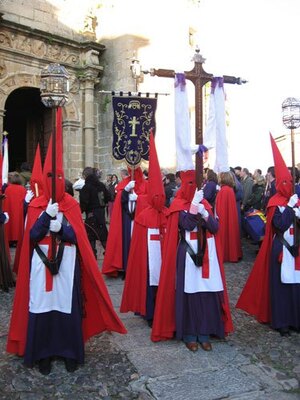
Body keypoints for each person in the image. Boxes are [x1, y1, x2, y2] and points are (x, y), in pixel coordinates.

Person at [6, 109, 126, 375]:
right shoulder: (37, 205)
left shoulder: (70, 204)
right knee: (42, 309)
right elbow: (31, 238)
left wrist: (63, 228)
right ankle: (43, 353)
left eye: (60, 178)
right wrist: (44, 219)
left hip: (67, 265)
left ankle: (69, 351)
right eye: (52, 178)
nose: (56, 182)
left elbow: (79, 239)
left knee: (67, 309)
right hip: (40, 265)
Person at [151, 170, 233, 351]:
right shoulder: (178, 205)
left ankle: (204, 332)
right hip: (188, 252)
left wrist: (204, 212)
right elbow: (186, 224)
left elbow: (215, 227)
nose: (195, 188)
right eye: (190, 185)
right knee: (189, 294)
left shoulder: (205, 204)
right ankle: (189, 333)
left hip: (206, 253)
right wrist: (194, 206)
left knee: (205, 293)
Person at [236, 133, 300, 336]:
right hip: (281, 247)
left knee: (296, 286)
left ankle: (296, 320)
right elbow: (279, 224)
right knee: (281, 286)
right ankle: (281, 321)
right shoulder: (275, 203)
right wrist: (290, 209)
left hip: (296, 246)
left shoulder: (296, 200)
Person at [120, 132, 168, 326]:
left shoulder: (168, 213)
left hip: (160, 251)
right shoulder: (143, 217)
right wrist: (126, 193)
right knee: (148, 277)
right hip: (148, 251)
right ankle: (149, 310)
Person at [102, 166, 148, 277]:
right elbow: (120, 202)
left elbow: (150, 200)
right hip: (127, 218)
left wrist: (138, 198)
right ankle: (127, 268)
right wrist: (126, 191)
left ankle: (138, 268)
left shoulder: (146, 184)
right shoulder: (124, 184)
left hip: (139, 219)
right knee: (127, 243)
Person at [79, 167, 110, 258]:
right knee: (103, 236)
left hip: (91, 214)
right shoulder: (101, 185)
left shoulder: (86, 187)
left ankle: (92, 257)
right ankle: (110, 256)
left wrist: (80, 210)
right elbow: (108, 197)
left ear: (85, 176)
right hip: (101, 213)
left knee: (90, 235)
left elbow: (84, 202)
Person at [215, 171, 242, 263]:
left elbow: (220, 208)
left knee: (224, 234)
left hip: (223, 218)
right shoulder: (229, 189)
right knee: (231, 233)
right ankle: (233, 254)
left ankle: (225, 254)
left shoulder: (224, 190)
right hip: (229, 217)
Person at [3, 172, 27, 247]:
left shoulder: (7, 189)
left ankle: (10, 240)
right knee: (18, 224)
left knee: (10, 225)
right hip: (19, 210)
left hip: (9, 209)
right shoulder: (23, 189)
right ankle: (17, 240)